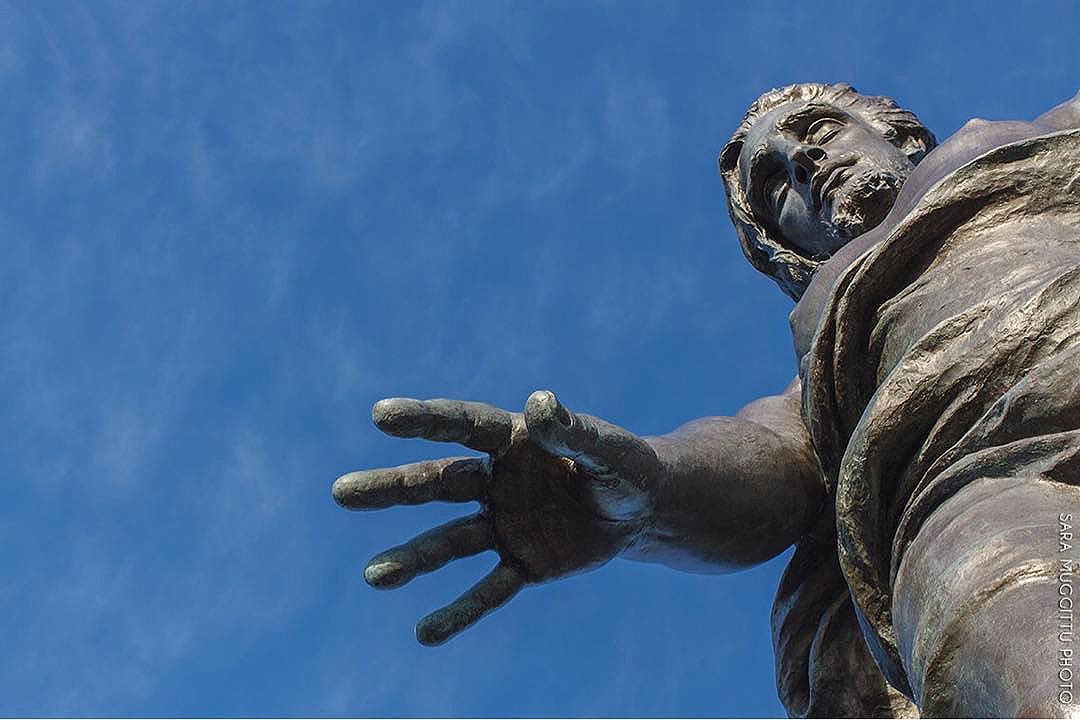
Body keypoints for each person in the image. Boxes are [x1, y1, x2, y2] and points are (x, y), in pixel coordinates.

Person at [333, 83, 1080, 718]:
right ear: (781, 245)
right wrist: (643, 496)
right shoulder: (829, 332)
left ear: (894, 128)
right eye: (774, 184)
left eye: (817, 131)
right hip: (990, 487)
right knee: (1028, 639)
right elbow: (771, 460)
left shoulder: (1042, 137)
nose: (804, 162)